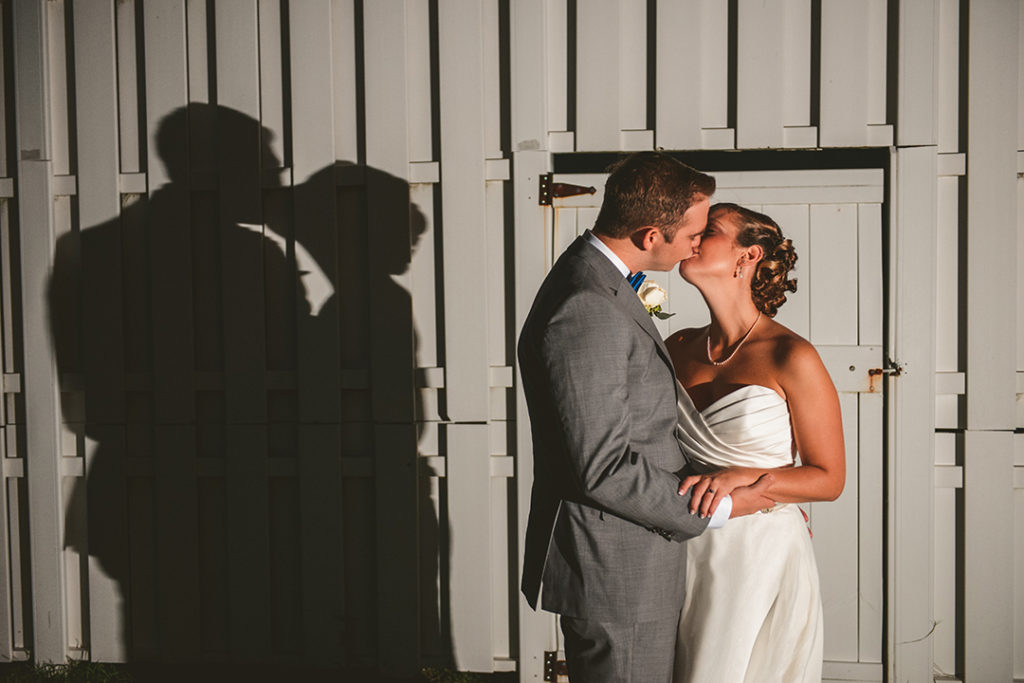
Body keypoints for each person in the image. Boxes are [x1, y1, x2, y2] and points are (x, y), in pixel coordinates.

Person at [518, 153, 777, 682]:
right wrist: (720, 510)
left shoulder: (595, 280)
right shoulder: (588, 306)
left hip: (631, 557)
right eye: (692, 233)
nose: (697, 244)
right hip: (618, 568)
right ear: (650, 234)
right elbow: (604, 467)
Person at [666, 203, 846, 682]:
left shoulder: (791, 355)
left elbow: (829, 480)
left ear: (748, 257)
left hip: (757, 554)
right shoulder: (677, 346)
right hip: (682, 540)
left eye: (710, 230)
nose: (693, 236)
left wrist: (746, 476)